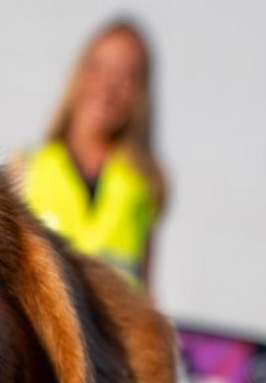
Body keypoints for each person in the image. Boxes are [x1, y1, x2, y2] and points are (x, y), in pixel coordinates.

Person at [20, 19, 166, 286]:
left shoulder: (144, 185)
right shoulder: (24, 170)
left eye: (125, 77)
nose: (107, 88)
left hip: (116, 328)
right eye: (98, 68)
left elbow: (146, 291)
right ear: (79, 74)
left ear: (140, 94)